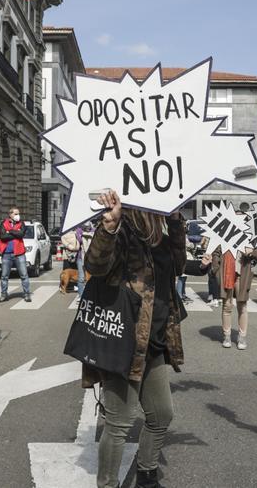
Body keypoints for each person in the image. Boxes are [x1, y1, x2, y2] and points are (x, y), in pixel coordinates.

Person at [86, 189, 187, 488]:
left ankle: (146, 476)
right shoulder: (124, 227)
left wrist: (178, 221)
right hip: (124, 341)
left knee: (161, 415)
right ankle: (107, 484)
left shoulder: (163, 230)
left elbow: (179, 267)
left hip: (154, 341)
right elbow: (94, 265)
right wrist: (109, 226)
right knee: (119, 422)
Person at [0, 207, 31, 302]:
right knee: (4, 276)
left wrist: (10, 231)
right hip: (7, 254)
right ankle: (4, 294)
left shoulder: (22, 223)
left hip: (19, 253)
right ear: (10, 214)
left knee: (24, 275)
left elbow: (21, 235)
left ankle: (27, 294)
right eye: (16, 214)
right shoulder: (3, 223)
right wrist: (16, 232)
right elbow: (2, 236)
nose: (18, 215)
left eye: (18, 213)